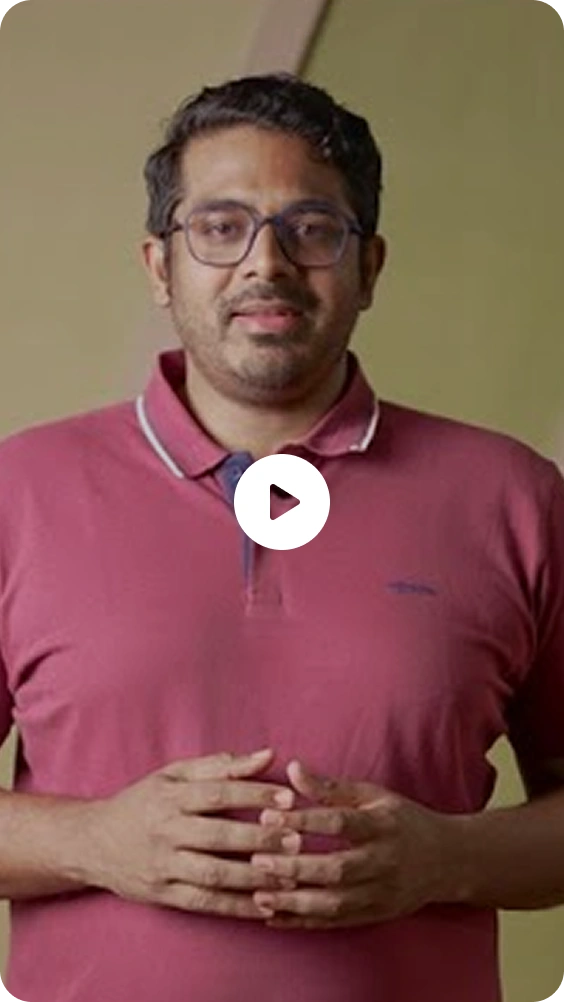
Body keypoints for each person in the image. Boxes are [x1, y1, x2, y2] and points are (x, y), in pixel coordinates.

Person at [0, 73, 563, 1002]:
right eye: (220, 227)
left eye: (312, 228)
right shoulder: (19, 491)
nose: (266, 264)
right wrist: (91, 842)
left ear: (369, 266)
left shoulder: (516, 498)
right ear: (159, 266)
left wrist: (447, 858)